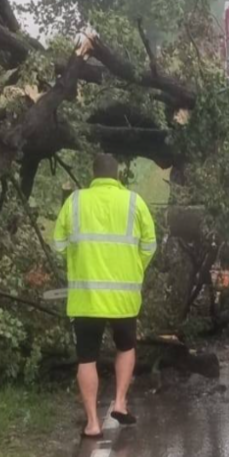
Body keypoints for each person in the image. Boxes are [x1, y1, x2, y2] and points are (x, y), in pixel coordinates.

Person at [53, 154, 157, 439]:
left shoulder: (75, 202)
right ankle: (120, 402)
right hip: (123, 298)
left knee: (86, 358)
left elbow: (58, 245)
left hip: (86, 298)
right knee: (126, 347)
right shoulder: (134, 202)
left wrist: (78, 260)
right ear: (118, 175)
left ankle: (92, 424)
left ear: (93, 174)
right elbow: (149, 246)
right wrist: (135, 269)